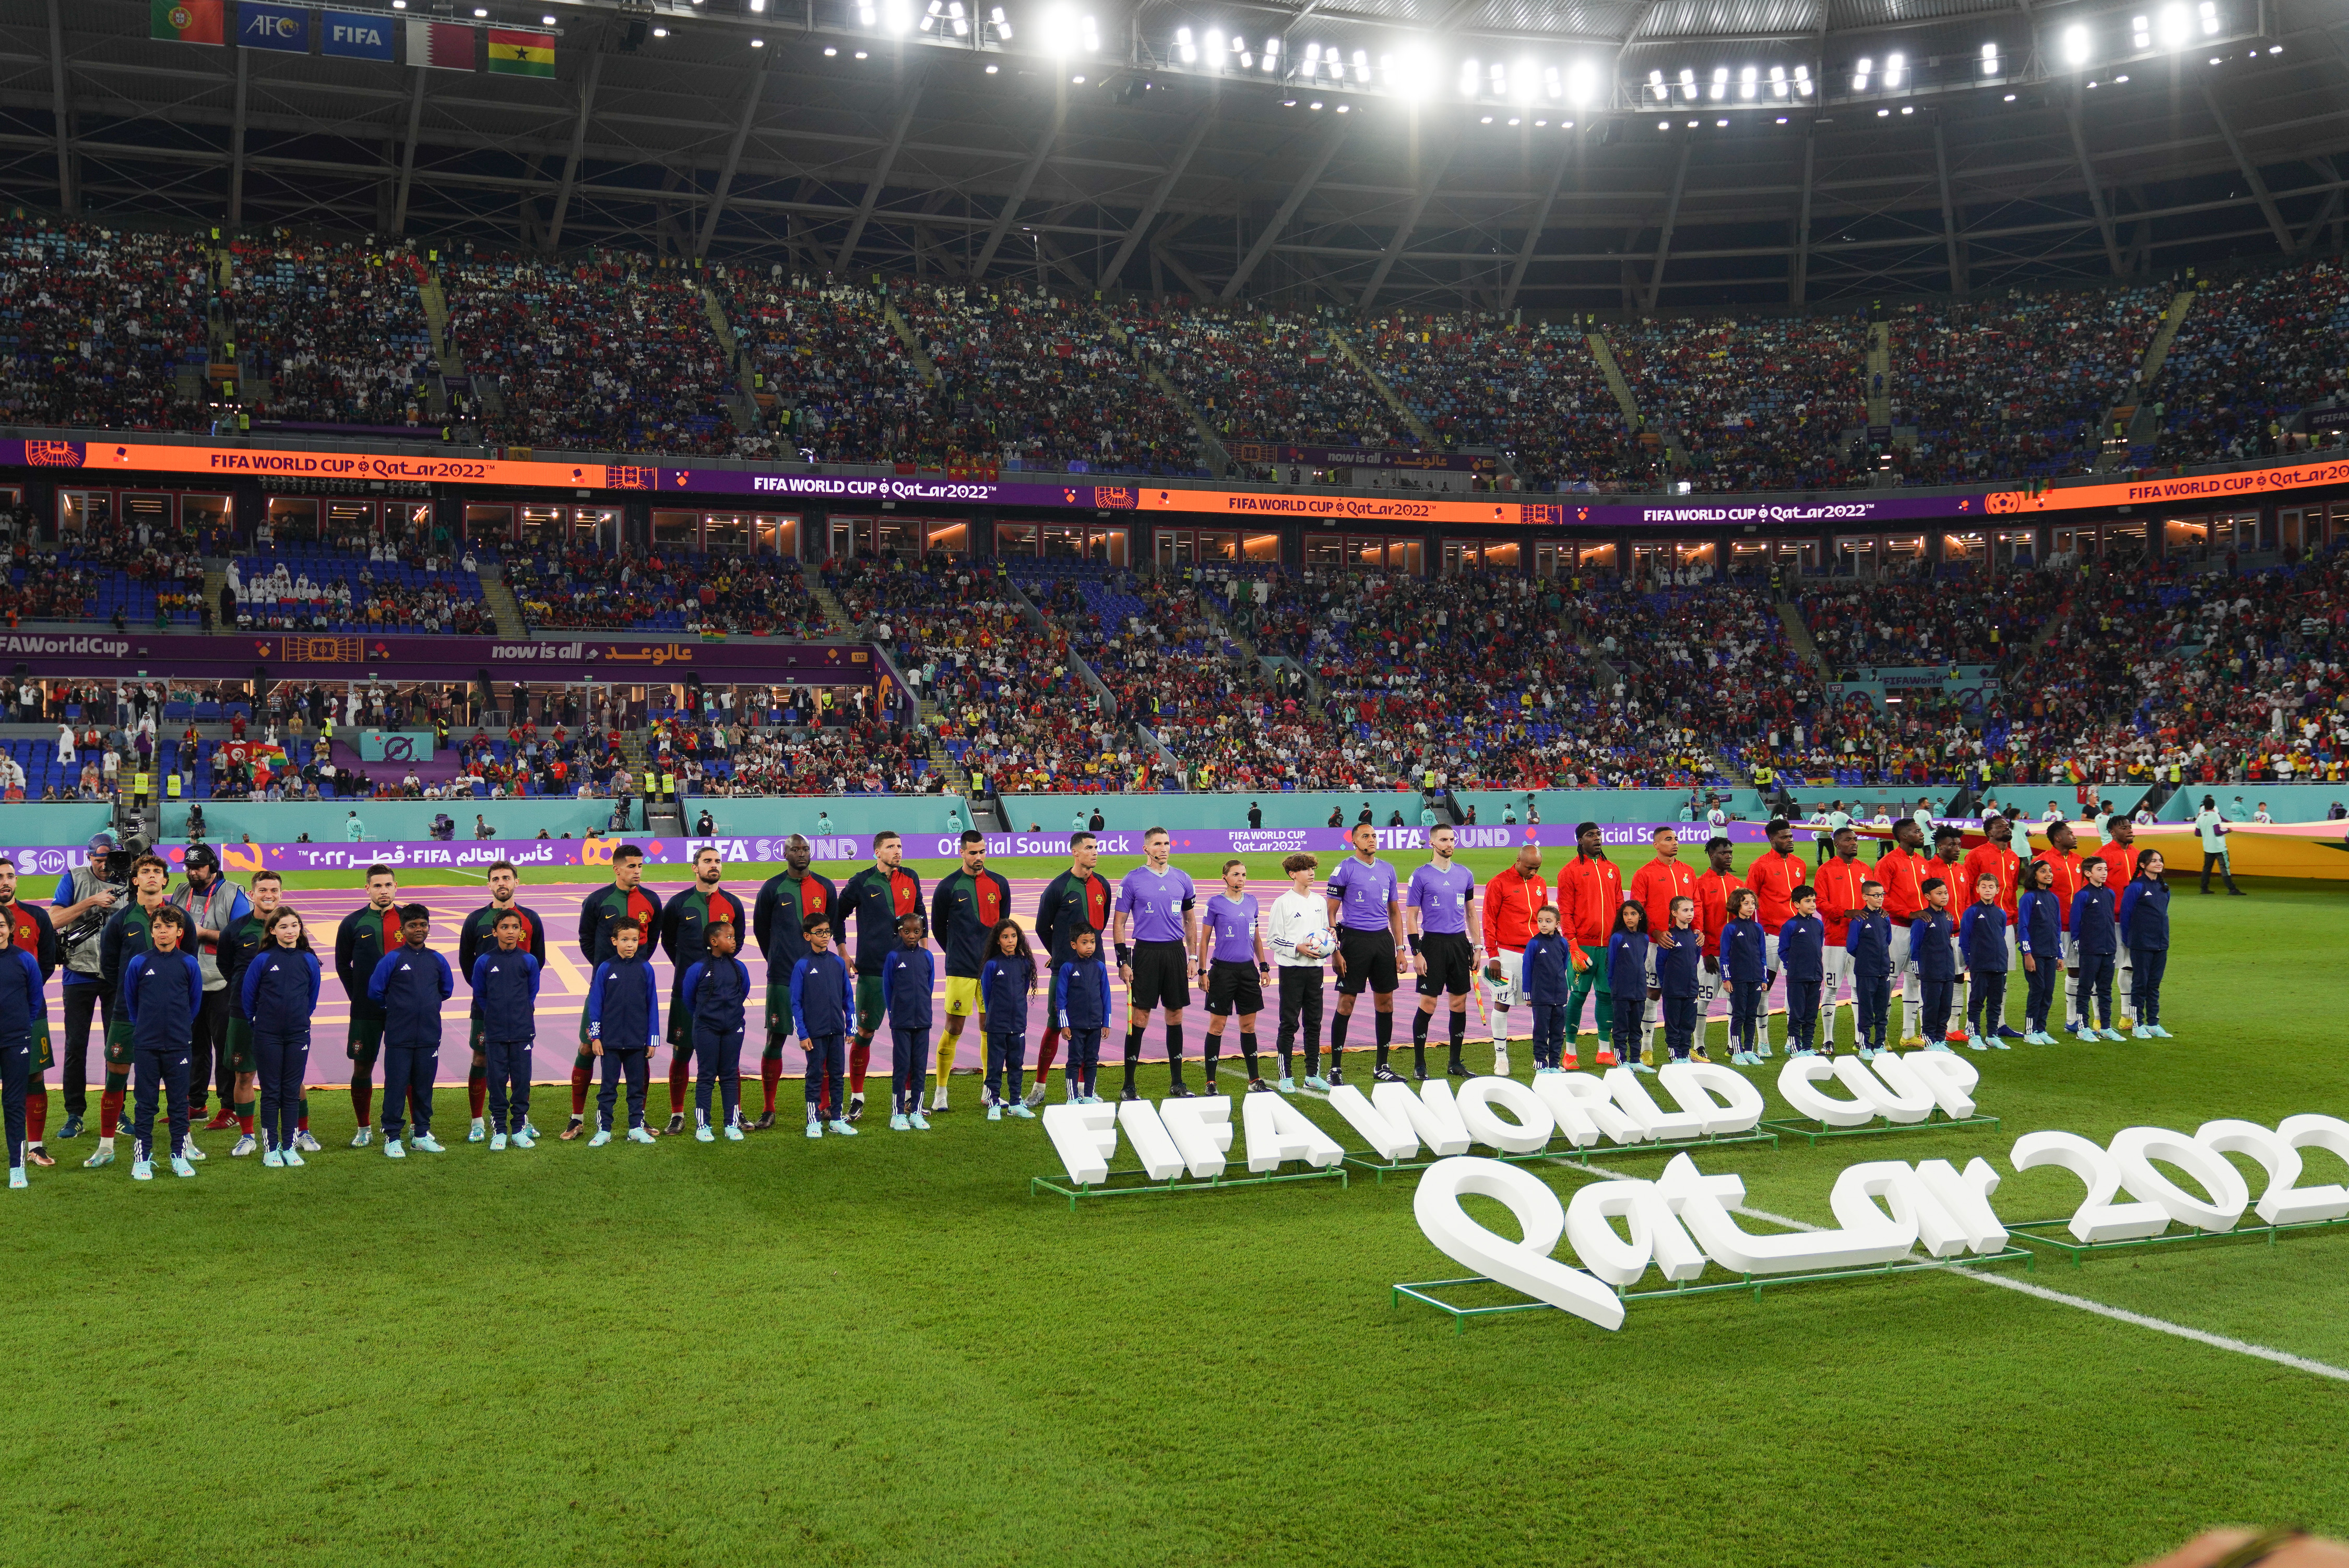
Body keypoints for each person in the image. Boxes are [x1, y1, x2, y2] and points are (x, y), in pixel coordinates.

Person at [570, 846, 663, 1139]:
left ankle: (639, 1119)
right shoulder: (598, 900)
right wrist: (604, 969)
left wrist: (635, 970)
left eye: (640, 866)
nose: (637, 871)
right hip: (605, 985)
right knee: (588, 1045)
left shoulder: (651, 900)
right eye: (632, 866)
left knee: (639, 1051)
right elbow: (586, 938)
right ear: (617, 869)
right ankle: (576, 1118)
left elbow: (654, 939)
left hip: (635, 988)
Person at [88, 853, 175, 1169]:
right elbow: (110, 967)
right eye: (145, 872)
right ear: (135, 880)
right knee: (117, 1075)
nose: (152, 876)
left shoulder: (180, 920)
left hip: (170, 1016)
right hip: (128, 1014)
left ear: (165, 880)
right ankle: (106, 1145)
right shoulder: (121, 920)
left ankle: (185, 1143)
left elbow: (189, 963)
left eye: (157, 872)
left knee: (173, 1079)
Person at [455, 861, 549, 1143]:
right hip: (486, 1005)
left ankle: (522, 1122)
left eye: (507, 878)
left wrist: (518, 996)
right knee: (481, 1058)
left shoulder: (531, 918)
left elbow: (538, 961)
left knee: (520, 1064)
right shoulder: (475, 920)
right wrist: (490, 999)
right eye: (496, 879)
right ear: (489, 885)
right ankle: (477, 1122)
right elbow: (466, 963)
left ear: (516, 882)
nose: (502, 883)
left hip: (519, 1007)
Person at [657, 847, 748, 1135]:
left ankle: (735, 1113)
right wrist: (690, 973)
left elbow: (738, 942)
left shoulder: (733, 903)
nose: (714, 866)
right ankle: (677, 1113)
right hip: (687, 992)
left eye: (718, 861)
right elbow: (669, 942)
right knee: (682, 1052)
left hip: (724, 995)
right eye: (707, 861)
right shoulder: (678, 904)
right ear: (694, 867)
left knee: (729, 1060)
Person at [751, 836, 835, 1130]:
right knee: (776, 1038)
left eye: (805, 849)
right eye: (795, 849)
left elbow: (830, 927)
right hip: (783, 977)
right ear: (784, 853)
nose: (801, 854)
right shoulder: (772, 888)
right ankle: (769, 1108)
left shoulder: (826, 887)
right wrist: (777, 958)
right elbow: (761, 930)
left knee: (823, 1038)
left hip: (820, 978)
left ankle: (825, 1106)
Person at [838, 832, 921, 1123]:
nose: (897, 851)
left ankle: (911, 1097)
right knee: (865, 1032)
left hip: (907, 970)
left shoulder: (911, 877)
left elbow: (921, 916)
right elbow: (837, 916)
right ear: (877, 852)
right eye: (891, 847)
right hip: (872, 971)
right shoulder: (861, 881)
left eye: (899, 846)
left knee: (910, 1031)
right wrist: (844, 953)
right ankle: (857, 1098)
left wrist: (921, 957)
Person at [170, 845, 251, 1141]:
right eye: (189, 867)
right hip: (188, 981)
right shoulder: (181, 891)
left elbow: (244, 934)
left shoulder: (232, 892)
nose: (193, 872)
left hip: (221, 982)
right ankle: (196, 1104)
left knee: (225, 1047)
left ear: (213, 866)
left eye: (199, 867)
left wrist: (203, 934)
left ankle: (229, 1108)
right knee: (194, 1046)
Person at [51, 829, 128, 1142]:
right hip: (78, 973)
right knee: (75, 1047)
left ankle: (119, 1112)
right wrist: (92, 901)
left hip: (116, 976)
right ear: (89, 857)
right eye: (99, 860)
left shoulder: (128, 877)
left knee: (119, 1049)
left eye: (110, 860)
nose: (105, 866)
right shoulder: (74, 877)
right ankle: (75, 1114)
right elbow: (54, 920)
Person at [1113, 827, 1200, 1099]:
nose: (1164, 848)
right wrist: (1122, 961)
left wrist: (1193, 956)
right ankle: (1129, 1085)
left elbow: (1190, 921)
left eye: (1167, 844)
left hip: (1175, 953)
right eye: (1157, 844)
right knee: (1140, 1017)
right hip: (1146, 954)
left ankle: (1177, 1083)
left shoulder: (1183, 879)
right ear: (1146, 849)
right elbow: (1119, 922)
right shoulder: (1132, 880)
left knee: (1175, 1015)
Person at [929, 830, 1011, 1115]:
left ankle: (990, 1090)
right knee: (954, 1028)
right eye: (973, 852)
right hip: (961, 969)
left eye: (982, 852)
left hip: (992, 970)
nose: (979, 857)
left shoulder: (1000, 883)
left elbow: (1004, 927)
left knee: (990, 1027)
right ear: (961, 852)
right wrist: (958, 951)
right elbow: (939, 929)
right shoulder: (947, 887)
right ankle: (941, 1092)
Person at [1026, 832, 1110, 1107]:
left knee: (1090, 1025)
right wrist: (1059, 954)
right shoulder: (1058, 887)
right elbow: (1041, 927)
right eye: (1089, 848)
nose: (1095, 852)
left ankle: (1086, 1091)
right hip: (1064, 970)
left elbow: (1101, 922)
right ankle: (1039, 1086)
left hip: (1095, 969)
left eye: (1096, 847)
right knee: (1055, 1025)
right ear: (1075, 852)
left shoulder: (1103, 886)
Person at [120, 906, 204, 1181]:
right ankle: (142, 1159)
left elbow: (194, 1003)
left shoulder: (189, 963)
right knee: (145, 1104)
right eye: (157, 927)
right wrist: (145, 1027)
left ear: (179, 932)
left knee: (179, 1103)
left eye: (169, 927)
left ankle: (179, 1157)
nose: (163, 932)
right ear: (151, 931)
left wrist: (179, 1028)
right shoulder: (139, 963)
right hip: (146, 1044)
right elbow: (132, 1003)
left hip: (180, 1044)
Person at [367, 904, 453, 1159]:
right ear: (402, 929)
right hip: (399, 1037)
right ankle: (392, 1138)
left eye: (423, 925)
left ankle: (421, 1135)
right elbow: (375, 991)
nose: (419, 929)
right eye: (413, 925)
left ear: (429, 927)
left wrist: (426, 1006)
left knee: (424, 1087)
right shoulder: (393, 959)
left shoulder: (437, 959)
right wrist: (397, 1008)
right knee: (396, 1086)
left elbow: (446, 990)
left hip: (429, 1036)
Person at [332, 864, 408, 1150]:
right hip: (366, 1009)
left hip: (403, 1008)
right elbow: (342, 964)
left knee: (407, 1066)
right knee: (363, 1066)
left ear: (396, 886)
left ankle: (414, 1126)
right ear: (368, 889)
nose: (383, 890)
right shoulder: (352, 923)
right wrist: (358, 995)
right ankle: (364, 1128)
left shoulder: (408, 919)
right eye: (377, 886)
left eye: (388, 885)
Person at [238, 903, 319, 1168]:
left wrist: (298, 1021)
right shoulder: (263, 960)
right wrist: (259, 1024)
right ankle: (270, 1148)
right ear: (272, 931)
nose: (290, 931)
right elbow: (248, 997)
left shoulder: (308, 959)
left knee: (291, 1091)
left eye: (295, 925)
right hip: (267, 1034)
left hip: (298, 1034)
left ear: (300, 928)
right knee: (272, 1091)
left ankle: (289, 1145)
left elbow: (311, 998)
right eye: (283, 926)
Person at [1325, 821, 1404, 1084]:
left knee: (1386, 1002)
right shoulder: (1344, 869)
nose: (1372, 840)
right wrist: (1336, 950)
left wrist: (1400, 948)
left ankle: (1382, 1065)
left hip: (1382, 940)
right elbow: (1331, 913)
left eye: (1374, 836)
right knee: (1346, 1002)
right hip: (1355, 941)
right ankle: (1335, 1068)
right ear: (1354, 841)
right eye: (1366, 836)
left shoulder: (1388, 869)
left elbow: (1394, 912)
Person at [0, 858, 61, 1171]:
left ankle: (35, 1146)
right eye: (0, 877)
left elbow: (48, 963)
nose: (5, 882)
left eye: (10, 876)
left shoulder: (37, 916)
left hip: (30, 1012)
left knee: (34, 1074)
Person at [1404, 825, 1477, 1081]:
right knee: (1429, 1003)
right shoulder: (1421, 875)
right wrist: (1416, 952)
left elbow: (1470, 913)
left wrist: (1477, 946)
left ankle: (1455, 1063)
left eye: (1452, 839)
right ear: (1432, 843)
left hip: (1459, 944)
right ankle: (1420, 1064)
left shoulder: (1465, 874)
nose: (1450, 844)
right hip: (1432, 945)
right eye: (1444, 840)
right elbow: (1411, 916)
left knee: (1459, 1003)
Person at [469, 909, 543, 1150]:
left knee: (522, 1083)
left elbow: (532, 993)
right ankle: (499, 1131)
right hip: (496, 1032)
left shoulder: (529, 961)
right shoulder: (484, 962)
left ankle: (520, 1130)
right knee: (497, 1083)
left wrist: (520, 1012)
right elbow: (480, 994)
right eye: (504, 927)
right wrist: (495, 1013)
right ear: (495, 931)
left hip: (523, 1031)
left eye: (514, 927)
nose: (510, 931)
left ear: (521, 931)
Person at [1196, 859, 1271, 1095]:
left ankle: (1254, 1079)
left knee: (1248, 1027)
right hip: (1223, 972)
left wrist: (1264, 966)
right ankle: (1211, 1081)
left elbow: (1256, 937)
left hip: (1248, 971)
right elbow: (1205, 939)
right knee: (1217, 1027)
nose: (1241, 879)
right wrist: (1202, 970)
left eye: (1244, 875)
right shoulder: (1215, 903)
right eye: (1236, 874)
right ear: (1225, 877)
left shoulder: (1252, 902)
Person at [585, 920, 661, 1147]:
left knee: (636, 1088)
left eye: (635, 940)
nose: (630, 945)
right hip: (610, 1041)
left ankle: (636, 1128)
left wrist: (652, 1040)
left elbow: (653, 1005)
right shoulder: (606, 968)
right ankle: (604, 1130)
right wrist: (596, 1038)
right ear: (614, 941)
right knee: (608, 1087)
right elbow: (596, 1004)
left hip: (637, 1041)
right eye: (625, 940)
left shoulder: (646, 968)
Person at [1628, 827, 1698, 1065]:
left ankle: (1683, 1048)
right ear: (1656, 845)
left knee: (1685, 994)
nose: (1675, 842)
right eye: (1669, 839)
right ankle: (1646, 1047)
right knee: (1654, 992)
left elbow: (1696, 903)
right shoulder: (1644, 873)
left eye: (1676, 838)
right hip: (1657, 944)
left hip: (1686, 944)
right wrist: (1655, 932)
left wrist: (1699, 930)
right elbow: (1638, 910)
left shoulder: (1688, 871)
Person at [1557, 822, 1624, 1063]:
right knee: (1577, 997)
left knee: (1606, 996)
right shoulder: (1569, 872)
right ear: (1579, 841)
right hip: (1582, 946)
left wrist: (1620, 939)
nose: (1596, 838)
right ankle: (1570, 1053)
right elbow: (1565, 912)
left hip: (1609, 947)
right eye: (1590, 835)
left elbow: (1619, 907)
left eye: (1598, 834)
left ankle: (1604, 1050)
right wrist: (1573, 946)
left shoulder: (1612, 869)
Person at [1478, 843, 1548, 1073]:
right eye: (1530, 867)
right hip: (1507, 952)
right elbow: (1489, 919)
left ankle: (1541, 1057)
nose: (1534, 872)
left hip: (1536, 951)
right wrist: (1493, 955)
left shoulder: (1540, 883)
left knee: (1539, 1005)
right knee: (1502, 1003)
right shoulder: (1498, 883)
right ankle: (1501, 1057)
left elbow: (1546, 917)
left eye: (1537, 868)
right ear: (1518, 861)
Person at [1267, 853, 1333, 1091]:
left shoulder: (1319, 902)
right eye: (1306, 869)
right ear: (1293, 874)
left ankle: (1312, 1074)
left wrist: (1329, 939)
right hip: (1292, 970)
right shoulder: (1282, 903)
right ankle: (1286, 1077)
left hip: (1316, 971)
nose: (1312, 873)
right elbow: (1272, 940)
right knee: (1289, 1023)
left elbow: (1324, 932)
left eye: (1313, 868)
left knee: (1314, 1023)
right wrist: (1298, 947)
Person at [679, 919, 750, 1142]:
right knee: (707, 1075)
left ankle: (731, 1124)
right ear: (714, 941)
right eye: (728, 937)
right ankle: (703, 1126)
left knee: (730, 1075)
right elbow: (689, 999)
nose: (733, 940)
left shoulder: (739, 967)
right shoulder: (698, 969)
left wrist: (731, 1017)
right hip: (706, 1028)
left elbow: (743, 991)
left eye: (734, 937)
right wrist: (707, 1019)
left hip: (733, 1028)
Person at [790, 913, 855, 1138]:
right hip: (815, 1033)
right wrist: (802, 1034)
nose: (825, 936)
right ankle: (813, 1121)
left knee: (837, 1074)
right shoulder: (802, 965)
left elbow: (848, 997)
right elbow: (795, 1003)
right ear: (808, 936)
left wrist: (851, 1027)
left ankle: (836, 1119)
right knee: (815, 1074)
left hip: (836, 1030)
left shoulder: (838, 962)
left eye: (828, 932)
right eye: (819, 932)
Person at [1961, 813, 2025, 1040]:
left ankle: (1999, 1023)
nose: (2006, 828)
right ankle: (1972, 1026)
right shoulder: (1976, 855)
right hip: (1981, 921)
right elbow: (1968, 889)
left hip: (2005, 922)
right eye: (2000, 826)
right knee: (1978, 975)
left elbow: (2012, 891)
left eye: (2007, 825)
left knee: (2001, 974)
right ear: (1990, 833)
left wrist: (2015, 920)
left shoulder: (2014, 857)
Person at [1810, 826, 1867, 1054]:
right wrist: (1846, 912)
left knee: (1858, 989)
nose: (1854, 843)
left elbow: (1873, 898)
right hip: (1835, 939)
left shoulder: (1864, 869)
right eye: (1848, 840)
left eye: (1855, 839)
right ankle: (1828, 1039)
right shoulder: (1825, 871)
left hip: (1861, 941)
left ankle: (1859, 1038)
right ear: (1836, 844)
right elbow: (1820, 903)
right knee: (1832, 988)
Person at [1872, 817, 1929, 1046]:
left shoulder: (1923, 862)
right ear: (1904, 837)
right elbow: (1880, 897)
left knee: (1915, 980)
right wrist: (1909, 913)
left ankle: (1908, 1035)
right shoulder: (1887, 863)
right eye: (1917, 831)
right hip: (1896, 929)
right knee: (1890, 980)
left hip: (1920, 930)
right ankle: (1881, 1035)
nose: (1921, 833)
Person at [879, 912, 936, 1132]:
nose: (912, 936)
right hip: (901, 1022)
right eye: (907, 931)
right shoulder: (894, 957)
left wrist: (922, 1010)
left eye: (917, 931)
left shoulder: (927, 956)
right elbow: (888, 988)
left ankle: (916, 1112)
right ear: (899, 932)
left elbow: (928, 987)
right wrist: (895, 1015)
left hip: (923, 1021)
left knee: (920, 1068)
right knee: (902, 1067)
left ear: (922, 932)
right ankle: (897, 1114)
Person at [0, 909, 44, 1189]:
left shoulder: (24, 959)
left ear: (11, 927)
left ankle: (17, 1168)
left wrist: (22, 1028)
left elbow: (35, 998)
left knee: (14, 1104)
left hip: (15, 1042)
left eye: (1, 925)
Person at [2032, 821, 2089, 1034]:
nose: (2074, 836)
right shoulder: (2042, 861)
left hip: (2077, 926)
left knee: (2077, 970)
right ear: (2058, 838)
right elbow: (2033, 893)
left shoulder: (2079, 861)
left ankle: (2072, 1020)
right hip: (2051, 927)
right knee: (2044, 975)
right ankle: (2036, 1024)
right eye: (2070, 833)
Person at [977, 919, 1037, 1119]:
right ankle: (993, 1103)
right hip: (997, 1024)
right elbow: (987, 992)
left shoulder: (1025, 963)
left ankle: (1015, 1103)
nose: (1010, 940)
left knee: (1016, 1065)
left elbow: (1023, 989)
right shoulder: (992, 965)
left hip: (1018, 1023)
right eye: (1005, 937)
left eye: (1013, 936)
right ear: (998, 941)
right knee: (994, 1066)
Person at [1746, 817, 1809, 991]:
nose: (1790, 840)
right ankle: (1760, 1020)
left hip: (1797, 933)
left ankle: (1794, 1020)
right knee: (1765, 985)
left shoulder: (1800, 864)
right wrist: (1750, 932)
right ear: (1772, 840)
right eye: (1784, 837)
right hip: (1771, 935)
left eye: (1791, 836)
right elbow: (1749, 901)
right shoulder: (1760, 866)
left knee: (1796, 984)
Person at [1053, 928, 1112, 1104]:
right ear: (1074, 945)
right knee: (1074, 1061)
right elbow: (1061, 998)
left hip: (1095, 1024)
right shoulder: (1068, 968)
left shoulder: (1100, 967)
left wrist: (1106, 1023)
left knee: (1092, 1061)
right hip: (1076, 1026)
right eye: (1084, 942)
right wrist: (1064, 1024)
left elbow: (1106, 995)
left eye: (1092, 942)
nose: (1089, 947)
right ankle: (1072, 1098)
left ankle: (1088, 1096)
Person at [2118, 849, 2173, 1039]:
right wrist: (2128, 940)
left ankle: (2153, 1023)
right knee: (2140, 984)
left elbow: (2162, 913)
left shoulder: (2163, 886)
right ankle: (2137, 1025)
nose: (2159, 863)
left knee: (2154, 984)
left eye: (2160, 860)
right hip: (2141, 943)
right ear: (2143, 865)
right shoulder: (2136, 887)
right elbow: (2126, 914)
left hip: (2161, 943)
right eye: (2154, 861)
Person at [2070, 857, 2123, 1042]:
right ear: (2088, 873)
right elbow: (2075, 921)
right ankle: (2082, 1028)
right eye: (2099, 869)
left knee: (2105, 990)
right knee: (2085, 989)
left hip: (2108, 948)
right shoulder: (2083, 895)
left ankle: (2106, 1027)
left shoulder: (2109, 893)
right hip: (2090, 949)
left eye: (2106, 869)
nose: (2104, 873)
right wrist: (2077, 941)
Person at [1958, 875, 2011, 1052]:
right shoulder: (1972, 912)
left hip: (2000, 963)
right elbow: (1964, 938)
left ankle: (1992, 1035)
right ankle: (1974, 1035)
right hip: (1980, 964)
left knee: (1996, 1002)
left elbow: (2000, 934)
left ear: (1997, 890)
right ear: (1977, 890)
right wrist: (1970, 960)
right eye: (1984, 886)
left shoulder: (2001, 913)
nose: (1987, 890)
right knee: (1977, 1000)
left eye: (1991, 887)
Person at [2015, 858, 2064, 1045]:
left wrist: (2060, 955)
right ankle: (2029, 1031)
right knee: (2038, 990)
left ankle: (2041, 1029)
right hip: (2035, 954)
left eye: (2050, 871)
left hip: (2051, 953)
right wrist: (2027, 954)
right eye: (2043, 871)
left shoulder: (2053, 898)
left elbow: (2057, 927)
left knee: (2048, 992)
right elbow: (2024, 927)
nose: (2049, 874)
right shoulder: (2028, 898)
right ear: (2034, 875)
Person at [1847, 881, 1894, 1062]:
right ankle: (1864, 1046)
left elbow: (1887, 940)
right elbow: (1852, 946)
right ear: (1865, 897)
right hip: (1866, 971)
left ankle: (1880, 1043)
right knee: (1866, 1010)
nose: (1880, 898)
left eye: (1882, 894)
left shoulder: (1885, 917)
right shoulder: (1859, 919)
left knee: (1882, 1010)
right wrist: (1868, 958)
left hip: (1883, 970)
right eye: (1876, 895)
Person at [1521, 906, 1573, 1073]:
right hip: (1540, 996)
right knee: (1541, 1031)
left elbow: (1563, 965)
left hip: (1559, 995)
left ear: (1557, 924)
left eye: (1548, 921)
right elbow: (1527, 968)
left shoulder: (1563, 942)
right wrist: (1528, 994)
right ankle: (1541, 1062)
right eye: (1540, 921)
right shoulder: (1534, 943)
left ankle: (1554, 1063)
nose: (1543, 925)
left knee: (1558, 1031)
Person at [1721, 889, 1768, 1065]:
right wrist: (1726, 978)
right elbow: (1725, 955)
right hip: (1738, 979)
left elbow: (1762, 955)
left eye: (1753, 903)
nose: (1751, 907)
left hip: (1755, 977)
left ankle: (1749, 1050)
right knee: (1738, 1014)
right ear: (1737, 905)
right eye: (1746, 903)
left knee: (1751, 1015)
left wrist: (1764, 979)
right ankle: (1736, 1052)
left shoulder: (1757, 928)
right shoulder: (1731, 928)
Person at [1604, 901, 1652, 1074]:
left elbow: (1642, 960)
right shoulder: (1617, 937)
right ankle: (1621, 1060)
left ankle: (1636, 1061)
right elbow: (1612, 962)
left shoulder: (1644, 938)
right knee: (1621, 1027)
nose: (1629, 918)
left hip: (1639, 990)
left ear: (1641, 916)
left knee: (1635, 1026)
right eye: (1625, 914)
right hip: (1621, 990)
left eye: (1633, 914)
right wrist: (1614, 987)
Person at [1778, 887, 1826, 1058]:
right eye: (1808, 901)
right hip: (1797, 977)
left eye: (1814, 900)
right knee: (1797, 1014)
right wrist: (1794, 966)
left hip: (1815, 976)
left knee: (1811, 1014)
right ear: (1797, 904)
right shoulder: (1791, 925)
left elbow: (1818, 947)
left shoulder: (1818, 923)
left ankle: (1807, 1046)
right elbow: (1783, 950)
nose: (1813, 904)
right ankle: (1794, 1048)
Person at [1912, 876, 1958, 1051]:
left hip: (1947, 970)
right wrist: (1918, 968)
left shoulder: (1948, 917)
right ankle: (1929, 1040)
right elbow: (1915, 945)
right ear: (1928, 896)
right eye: (1939, 893)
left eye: (1945, 893)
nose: (1944, 896)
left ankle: (1940, 1039)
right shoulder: (1922, 919)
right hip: (1931, 970)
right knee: (1932, 1007)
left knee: (1945, 1007)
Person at [1655, 896, 1703, 1064]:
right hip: (1673, 990)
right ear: (1674, 913)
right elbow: (1660, 963)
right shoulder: (1670, 937)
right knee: (1673, 1024)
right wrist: (1667, 983)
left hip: (1691, 989)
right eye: (1685, 910)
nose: (1690, 914)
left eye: (1691, 910)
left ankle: (1685, 1053)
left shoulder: (1695, 937)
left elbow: (1695, 960)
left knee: (1688, 1024)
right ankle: (1675, 1055)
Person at [2193, 795, 2243, 895]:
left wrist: (2207, 833)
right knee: (2225, 868)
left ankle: (2204, 888)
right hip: (2219, 847)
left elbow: (2197, 834)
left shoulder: (2200, 818)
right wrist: (2228, 830)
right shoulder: (2215, 816)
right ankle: (2232, 889)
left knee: (2207, 869)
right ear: (2213, 806)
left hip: (2208, 847)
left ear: (2204, 806)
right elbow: (2218, 831)